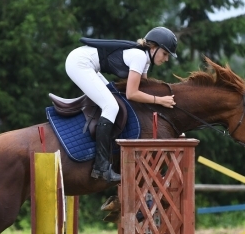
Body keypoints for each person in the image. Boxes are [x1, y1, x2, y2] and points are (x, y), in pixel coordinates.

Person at [64, 27, 178, 183]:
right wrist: (160, 100)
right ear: (153, 47)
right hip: (79, 63)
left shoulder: (144, 60)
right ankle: (101, 167)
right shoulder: (139, 56)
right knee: (111, 106)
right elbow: (132, 94)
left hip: (90, 66)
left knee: (114, 99)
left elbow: (142, 91)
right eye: (165, 54)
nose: (166, 59)